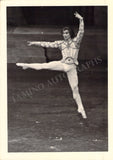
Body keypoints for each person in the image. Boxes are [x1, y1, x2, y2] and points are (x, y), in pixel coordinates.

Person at [16, 12, 87, 119]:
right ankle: (26, 65)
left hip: (72, 67)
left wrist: (81, 19)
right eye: (63, 33)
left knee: (75, 88)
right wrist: (35, 43)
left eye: (67, 33)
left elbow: (81, 32)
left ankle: (80, 108)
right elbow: (47, 44)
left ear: (70, 33)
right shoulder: (60, 43)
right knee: (44, 65)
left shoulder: (76, 42)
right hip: (62, 64)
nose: (65, 35)